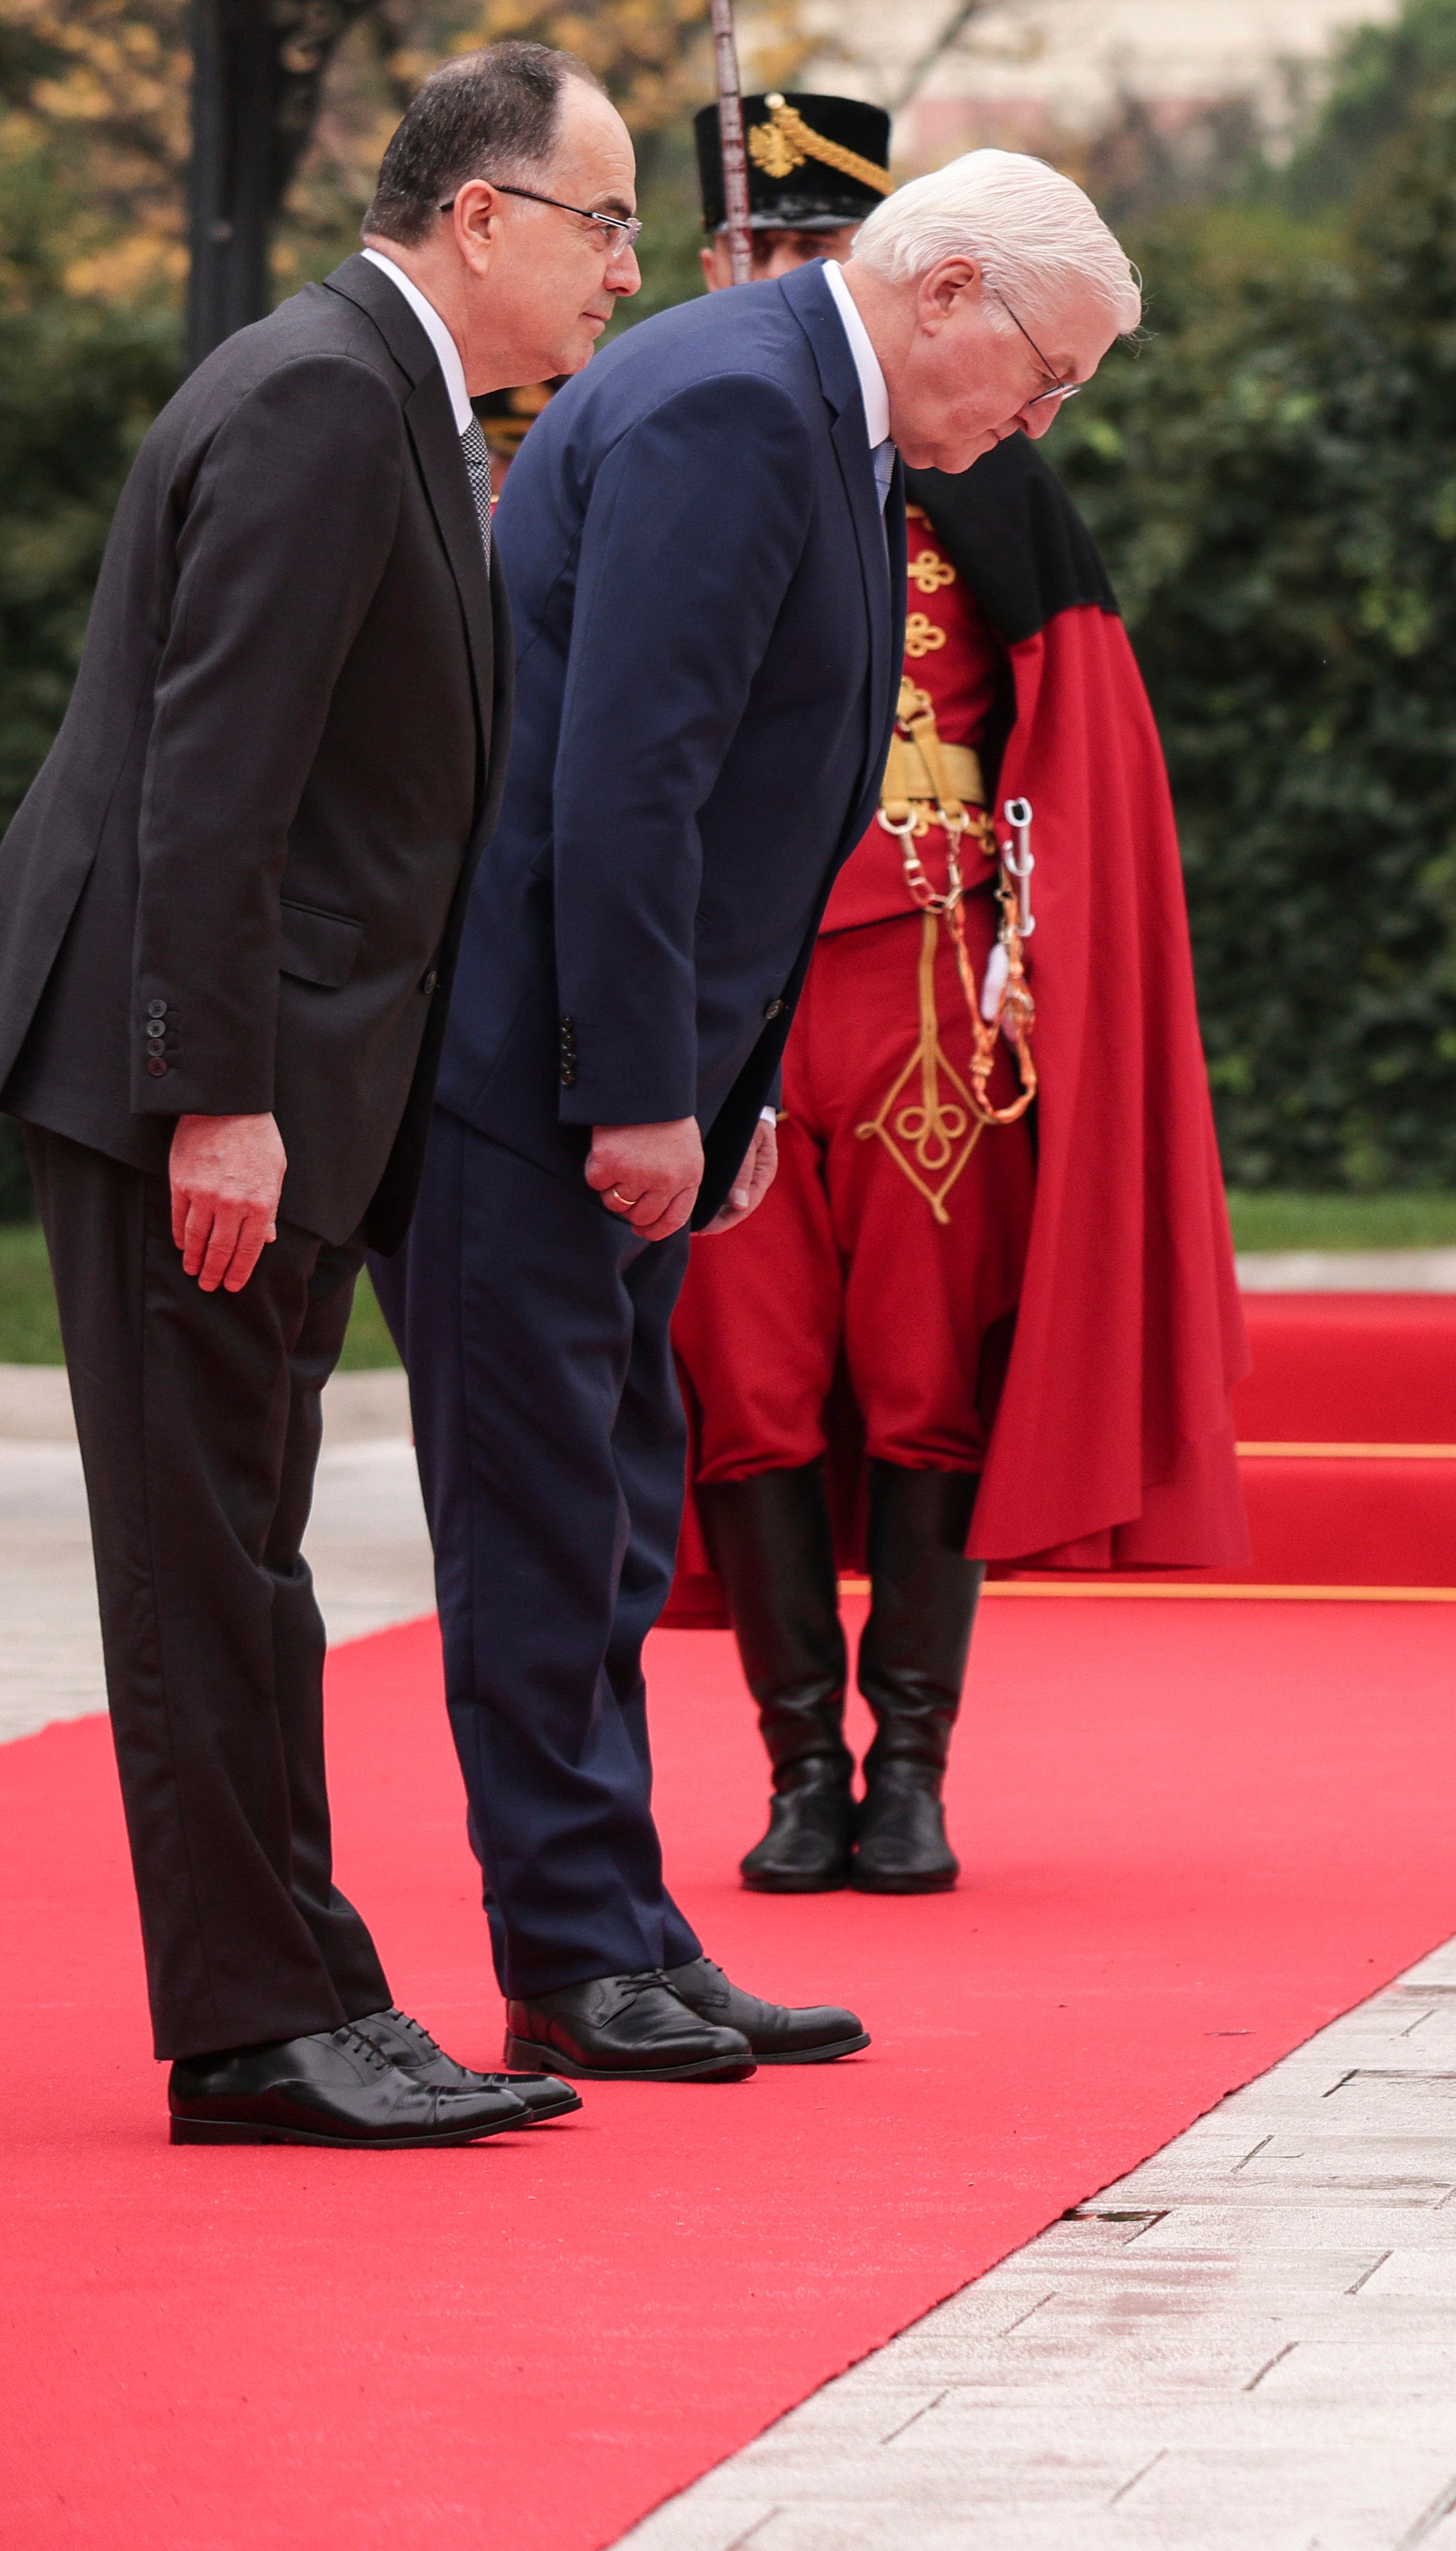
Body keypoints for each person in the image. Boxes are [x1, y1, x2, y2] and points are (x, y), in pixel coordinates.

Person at [0, 47, 637, 2148]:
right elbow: (213, 779)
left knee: (248, 1549)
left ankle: (315, 1989)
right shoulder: (325, 396)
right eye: (604, 224)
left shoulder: (387, 389)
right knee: (206, 1561)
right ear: (481, 217)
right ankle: (251, 2033)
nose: (627, 270)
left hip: (274, 1076)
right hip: (193, 1087)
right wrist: (213, 1099)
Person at [384, 143, 1133, 2087]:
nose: (1042, 421)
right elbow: (631, 776)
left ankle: (623, 1925)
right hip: (540, 1075)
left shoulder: (818, 407)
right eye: (1045, 373)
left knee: (613, 1515)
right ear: (949, 289)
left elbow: (760, 795)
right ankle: (570, 1951)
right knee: (550, 1525)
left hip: (619, 1075)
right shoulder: (737, 403)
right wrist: (648, 1090)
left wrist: (724, 1092)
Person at [658, 98, 1245, 1900]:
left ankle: (908, 1766)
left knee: (924, 1381)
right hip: (734, 995)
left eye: (814, 246)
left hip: (929, 985)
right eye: (757, 247)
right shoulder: (668, 444)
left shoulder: (986, 466)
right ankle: (795, 1770)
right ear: (716, 260)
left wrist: (1048, 968)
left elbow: (1075, 741)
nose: (784, 276)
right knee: (747, 1385)